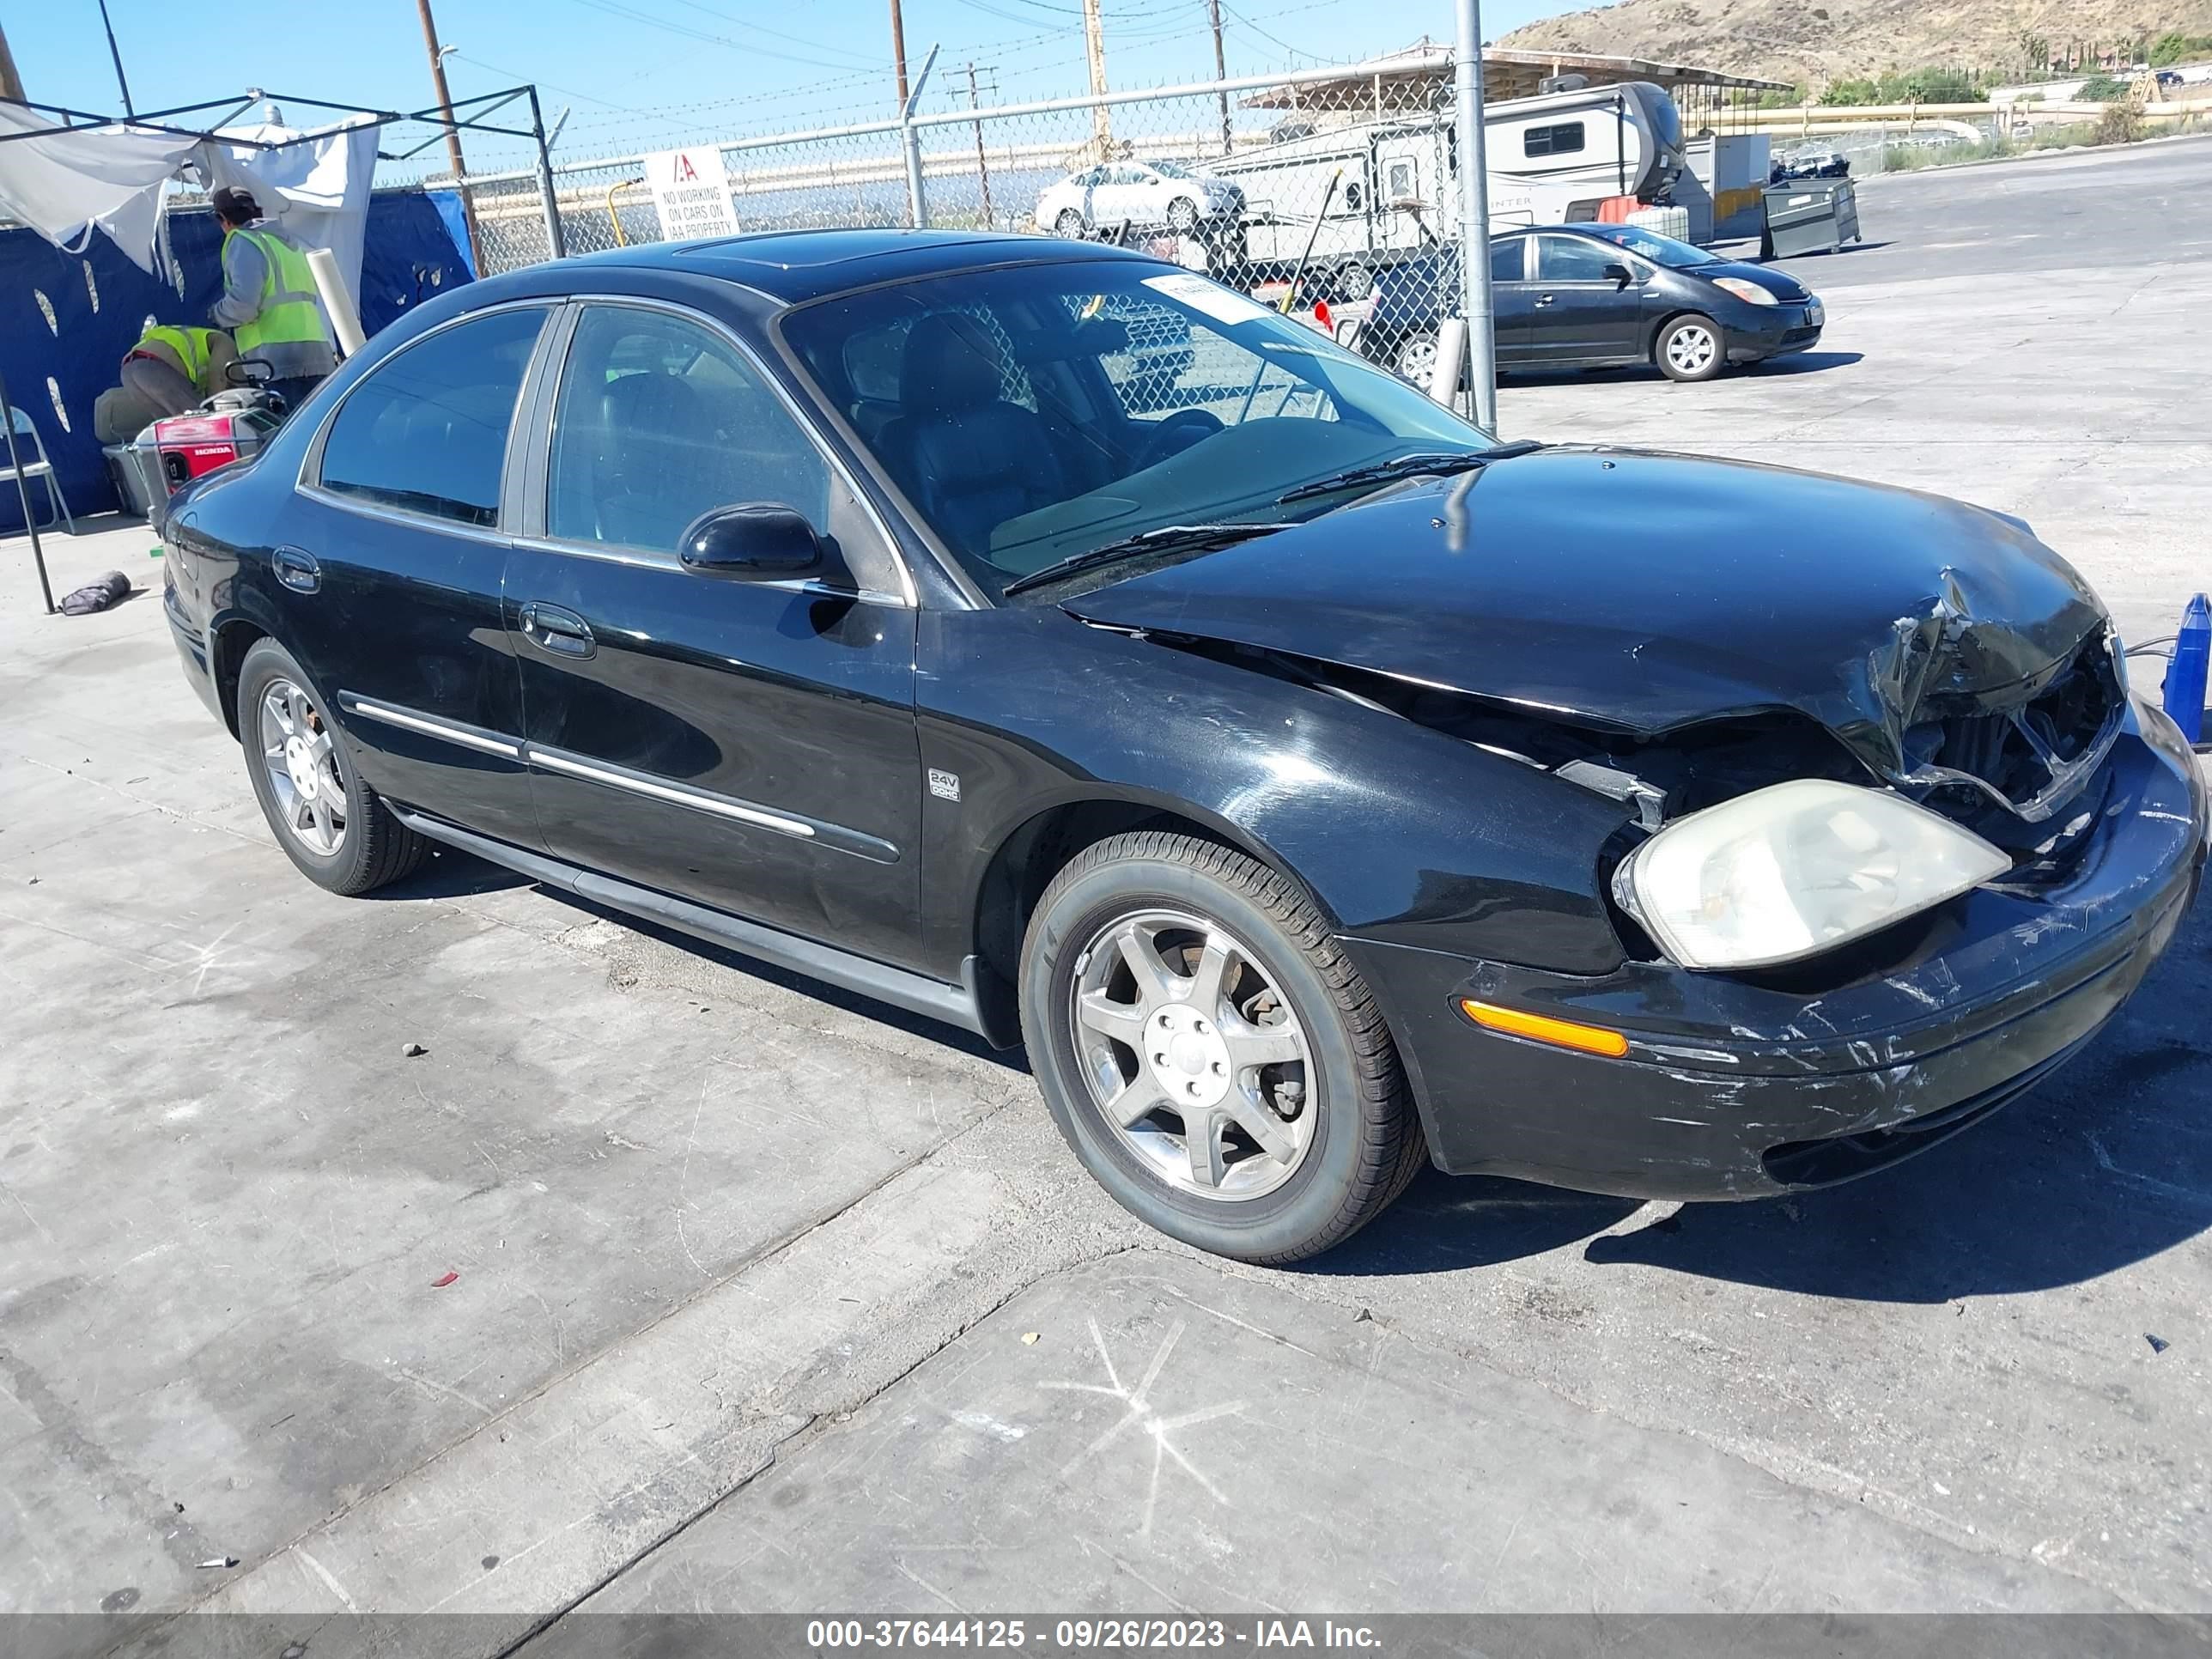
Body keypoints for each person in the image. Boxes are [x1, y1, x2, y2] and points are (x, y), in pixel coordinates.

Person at [209, 185, 337, 411]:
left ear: (224, 219)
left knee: (288, 439)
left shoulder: (243, 241)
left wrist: (217, 314)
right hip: (316, 355)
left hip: (275, 363)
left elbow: (244, 306)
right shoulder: (288, 244)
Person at [117, 323, 238, 422]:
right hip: (153, 367)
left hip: (128, 371)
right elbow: (218, 375)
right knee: (203, 420)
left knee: (173, 429)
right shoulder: (223, 340)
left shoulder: (190, 334)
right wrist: (218, 413)